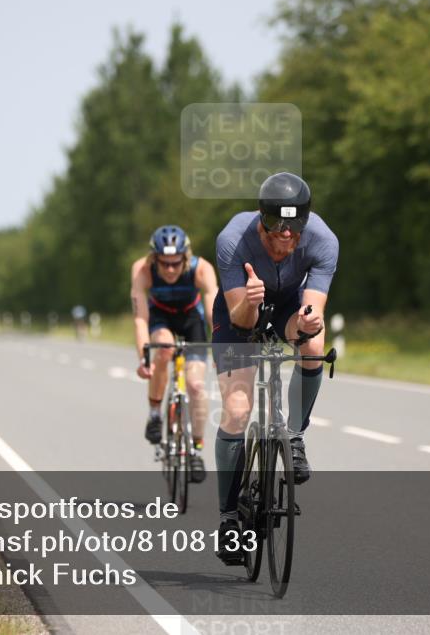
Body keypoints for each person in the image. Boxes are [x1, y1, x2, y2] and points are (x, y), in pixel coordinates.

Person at [210, 172, 338, 562]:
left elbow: (309, 312)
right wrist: (250, 300)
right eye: (275, 228)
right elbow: (242, 323)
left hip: (285, 306)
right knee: (236, 411)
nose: (285, 238)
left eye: (293, 230)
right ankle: (229, 519)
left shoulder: (324, 241)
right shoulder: (233, 239)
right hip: (239, 309)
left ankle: (294, 437)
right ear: (261, 219)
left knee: (314, 343)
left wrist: (308, 323)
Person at [131, 225, 219, 482]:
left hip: (192, 319)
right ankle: (155, 414)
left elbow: (213, 311)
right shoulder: (142, 270)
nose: (170, 269)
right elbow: (139, 319)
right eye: (164, 264)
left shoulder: (201, 269)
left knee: (195, 386)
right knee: (164, 350)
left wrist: (221, 348)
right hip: (160, 318)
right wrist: (142, 358)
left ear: (185, 257)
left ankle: (196, 448)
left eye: (175, 263)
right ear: (154, 258)